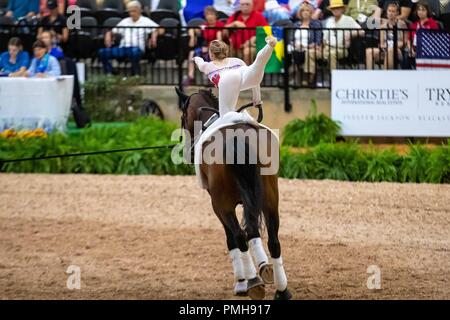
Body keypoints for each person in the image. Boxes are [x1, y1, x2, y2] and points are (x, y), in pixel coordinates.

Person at [193, 36, 277, 117]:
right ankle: (269, 46)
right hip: (243, 73)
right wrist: (257, 100)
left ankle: (244, 117)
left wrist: (195, 58)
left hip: (227, 78)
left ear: (211, 54)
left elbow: (200, 62)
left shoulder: (208, 66)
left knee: (225, 116)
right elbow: (255, 83)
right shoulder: (237, 60)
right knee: (257, 65)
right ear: (225, 52)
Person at [98, 1, 159, 75]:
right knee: (103, 52)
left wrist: (154, 36)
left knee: (134, 52)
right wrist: (108, 35)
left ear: (139, 10)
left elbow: (160, 29)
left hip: (137, 48)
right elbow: (112, 31)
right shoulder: (125, 21)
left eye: (134, 11)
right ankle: (110, 73)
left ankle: (136, 73)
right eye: (130, 11)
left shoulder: (145, 20)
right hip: (123, 48)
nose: (131, 13)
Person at [184, 6, 225, 86]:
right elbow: (193, 29)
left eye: (211, 14)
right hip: (205, 48)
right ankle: (191, 77)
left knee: (212, 54)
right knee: (192, 54)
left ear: (215, 16)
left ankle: (212, 78)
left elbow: (219, 41)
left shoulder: (220, 25)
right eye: (207, 14)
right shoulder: (204, 26)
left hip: (216, 48)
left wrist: (210, 48)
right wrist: (192, 36)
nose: (209, 16)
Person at [321, 0, 363, 71]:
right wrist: (322, 47)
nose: (335, 10)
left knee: (332, 54)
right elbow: (325, 38)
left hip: (341, 49)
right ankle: (308, 79)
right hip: (327, 48)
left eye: (338, 8)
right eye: (333, 8)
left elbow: (362, 32)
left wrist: (350, 35)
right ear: (331, 10)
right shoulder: (329, 21)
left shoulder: (348, 19)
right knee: (311, 53)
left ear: (342, 9)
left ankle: (333, 77)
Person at [225, 0, 269, 64]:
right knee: (225, 50)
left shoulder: (259, 16)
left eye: (247, 4)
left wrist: (254, 39)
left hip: (252, 46)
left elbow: (266, 32)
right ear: (239, 6)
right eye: (242, 4)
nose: (245, 6)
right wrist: (234, 24)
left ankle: (248, 73)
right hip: (234, 47)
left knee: (247, 52)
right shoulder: (235, 16)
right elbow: (224, 31)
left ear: (252, 6)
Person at [365, 2, 407, 69]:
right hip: (385, 49)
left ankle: (385, 76)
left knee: (390, 50)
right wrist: (384, 47)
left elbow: (404, 41)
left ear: (397, 13)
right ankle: (370, 76)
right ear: (386, 12)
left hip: (398, 51)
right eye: (389, 11)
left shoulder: (401, 24)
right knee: (369, 51)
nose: (390, 13)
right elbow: (381, 43)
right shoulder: (383, 26)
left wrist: (393, 46)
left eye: (393, 11)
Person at [292, 2, 322, 86]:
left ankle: (307, 77)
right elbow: (291, 39)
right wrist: (295, 44)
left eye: (307, 10)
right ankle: (296, 77)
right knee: (293, 52)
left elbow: (318, 41)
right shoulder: (296, 24)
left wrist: (306, 46)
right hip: (297, 48)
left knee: (307, 53)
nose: (305, 12)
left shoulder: (316, 24)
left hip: (310, 48)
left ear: (311, 12)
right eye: (303, 10)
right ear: (300, 13)